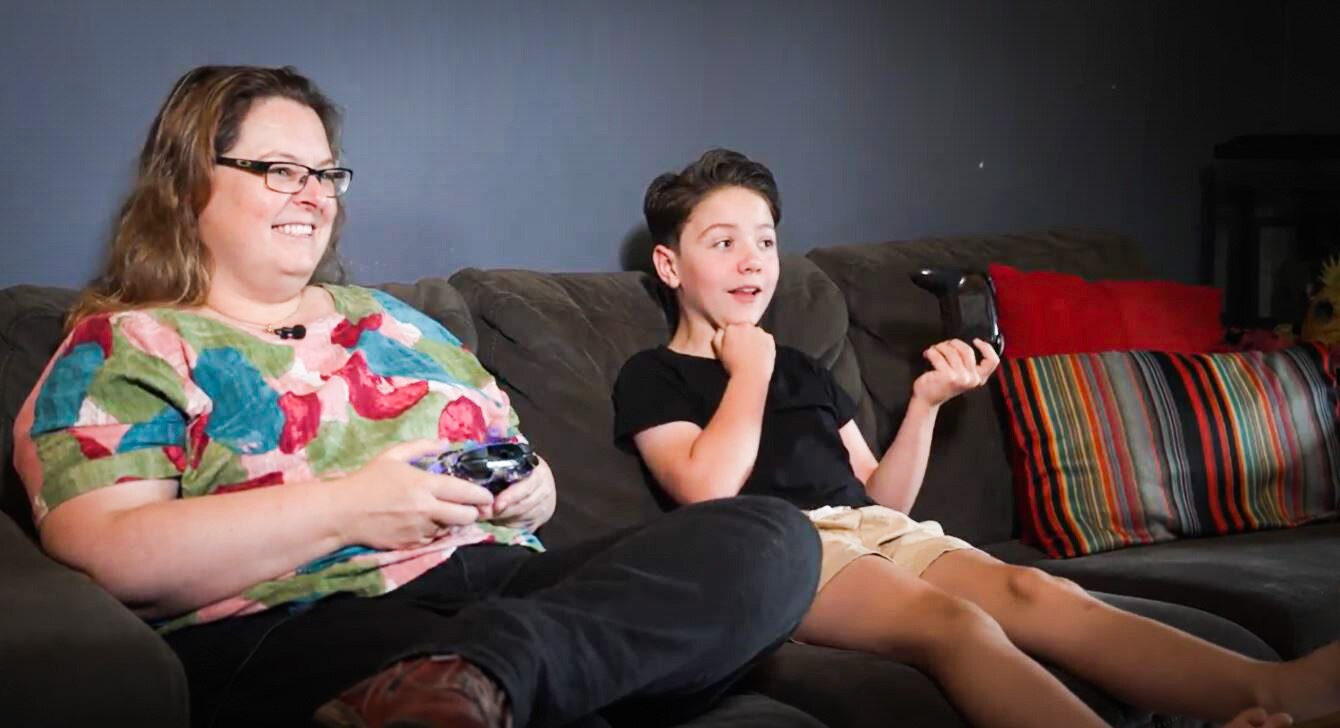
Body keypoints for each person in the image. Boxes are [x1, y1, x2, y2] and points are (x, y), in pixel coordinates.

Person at [11, 68, 824, 728]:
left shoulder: (400, 324)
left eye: (326, 172)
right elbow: (107, 551)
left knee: (770, 538)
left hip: (503, 585)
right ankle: (492, 684)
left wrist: (531, 492)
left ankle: (483, 679)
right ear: (190, 184)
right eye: (281, 170)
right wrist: (352, 509)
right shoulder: (127, 343)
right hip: (305, 617)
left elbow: (508, 460)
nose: (315, 194)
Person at [613, 148, 1340, 728]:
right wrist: (750, 369)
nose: (753, 261)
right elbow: (706, 488)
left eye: (766, 242)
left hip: (872, 531)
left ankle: (1270, 688)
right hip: (775, 549)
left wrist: (926, 405)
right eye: (724, 243)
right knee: (952, 625)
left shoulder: (804, 369)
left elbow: (879, 499)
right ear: (670, 265)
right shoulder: (654, 376)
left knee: (1034, 588)